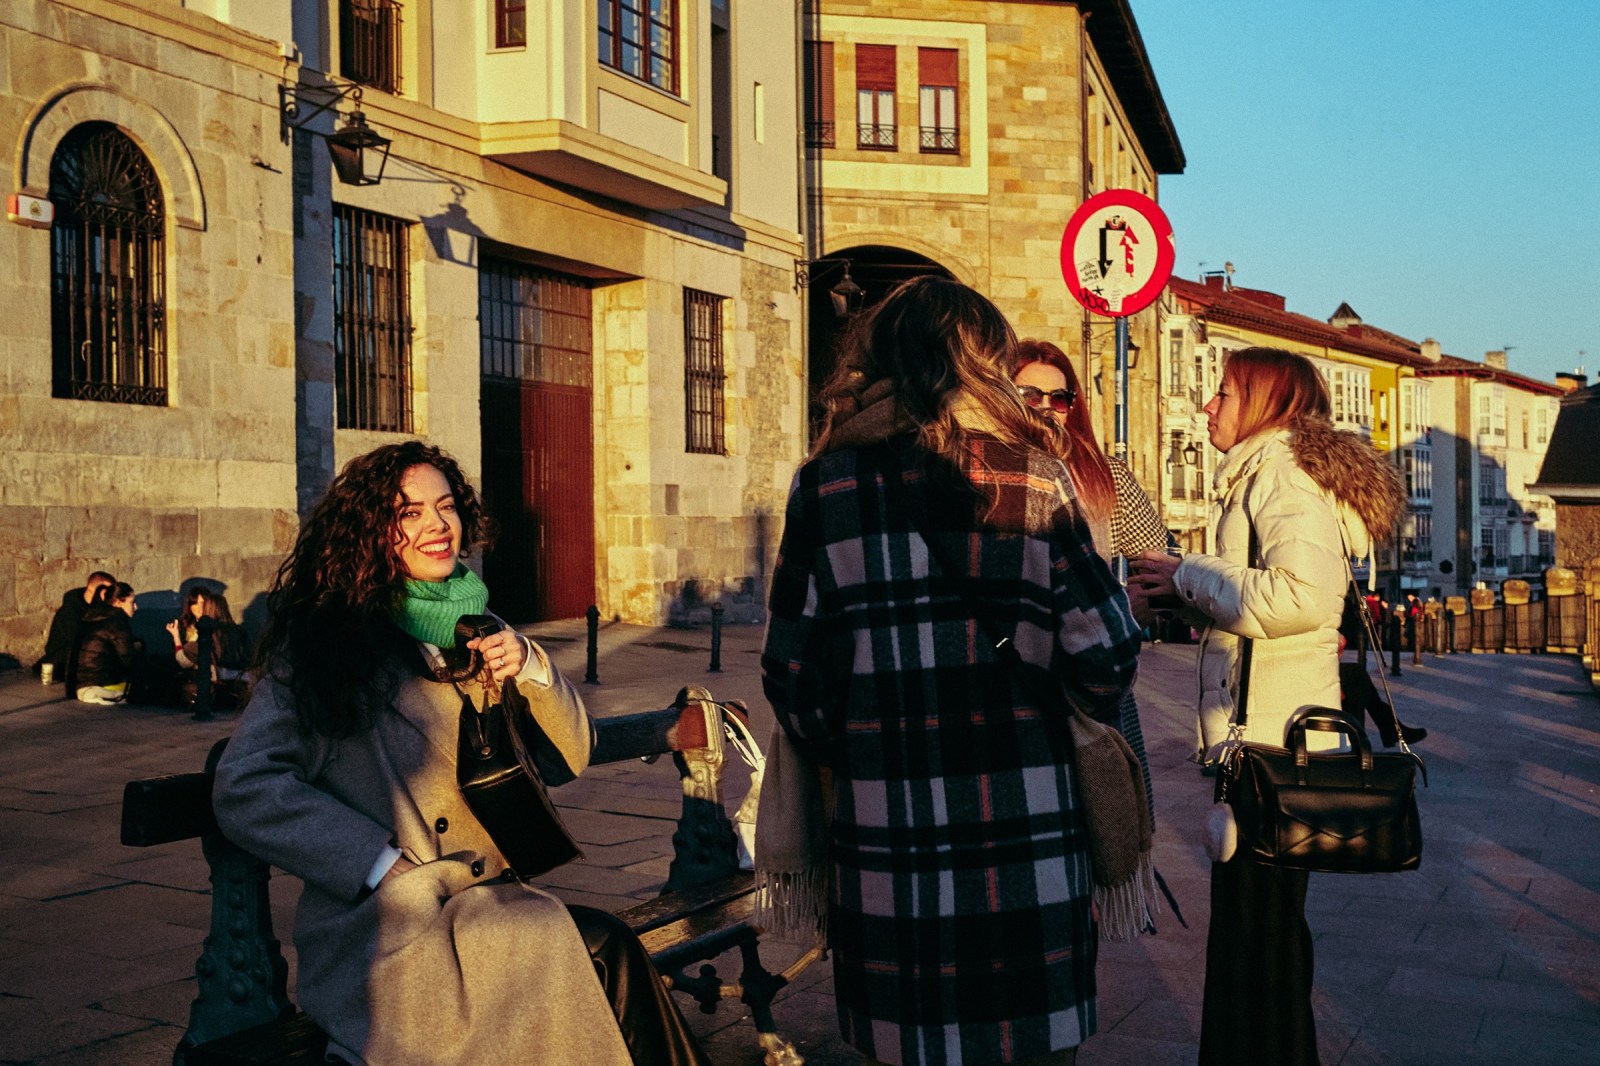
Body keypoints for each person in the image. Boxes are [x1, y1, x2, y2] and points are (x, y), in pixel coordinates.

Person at [213, 441, 706, 1066]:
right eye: (409, 513)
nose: (436, 526)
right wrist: (377, 863)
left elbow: (567, 759)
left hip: (487, 908)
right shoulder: (323, 641)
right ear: (371, 531)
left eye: (445, 507)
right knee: (602, 954)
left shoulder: (480, 625)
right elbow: (245, 784)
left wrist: (530, 667)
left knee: (603, 955)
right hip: (390, 934)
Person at [760, 277, 1143, 1065]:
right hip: (1027, 833)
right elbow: (1107, 648)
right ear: (983, 363)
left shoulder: (823, 487)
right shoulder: (1036, 475)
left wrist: (864, 747)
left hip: (885, 845)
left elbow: (792, 676)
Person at [1127, 346, 1405, 1066]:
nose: (1208, 405)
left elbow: (1301, 597)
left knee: (1259, 942)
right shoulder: (1266, 474)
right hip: (1265, 738)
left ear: (1266, 403)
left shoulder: (1280, 475)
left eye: (1223, 392)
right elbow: (1258, 599)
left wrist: (1190, 572)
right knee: (1262, 939)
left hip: (1272, 747)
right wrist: (1182, 593)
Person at [1011, 338, 1169, 818]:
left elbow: (1159, 560)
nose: (1045, 409)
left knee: (1110, 825)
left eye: (1058, 399)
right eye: (1029, 396)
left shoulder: (1103, 476)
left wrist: (1128, 611)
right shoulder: (986, 473)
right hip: (1013, 681)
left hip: (1093, 686)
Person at [168, 587, 252, 710]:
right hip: (242, 678)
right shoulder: (240, 630)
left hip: (216, 680)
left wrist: (176, 637)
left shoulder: (208, 633)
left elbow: (183, 660)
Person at [34, 570, 115, 681]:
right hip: (64, 659)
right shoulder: (70, 611)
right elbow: (78, 641)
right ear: (93, 590)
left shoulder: (104, 607)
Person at [72, 581, 141, 705]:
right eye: (132, 602)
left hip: (82, 682)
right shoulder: (117, 623)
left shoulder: (92, 617)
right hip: (103, 682)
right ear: (117, 602)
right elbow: (129, 659)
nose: (136, 607)